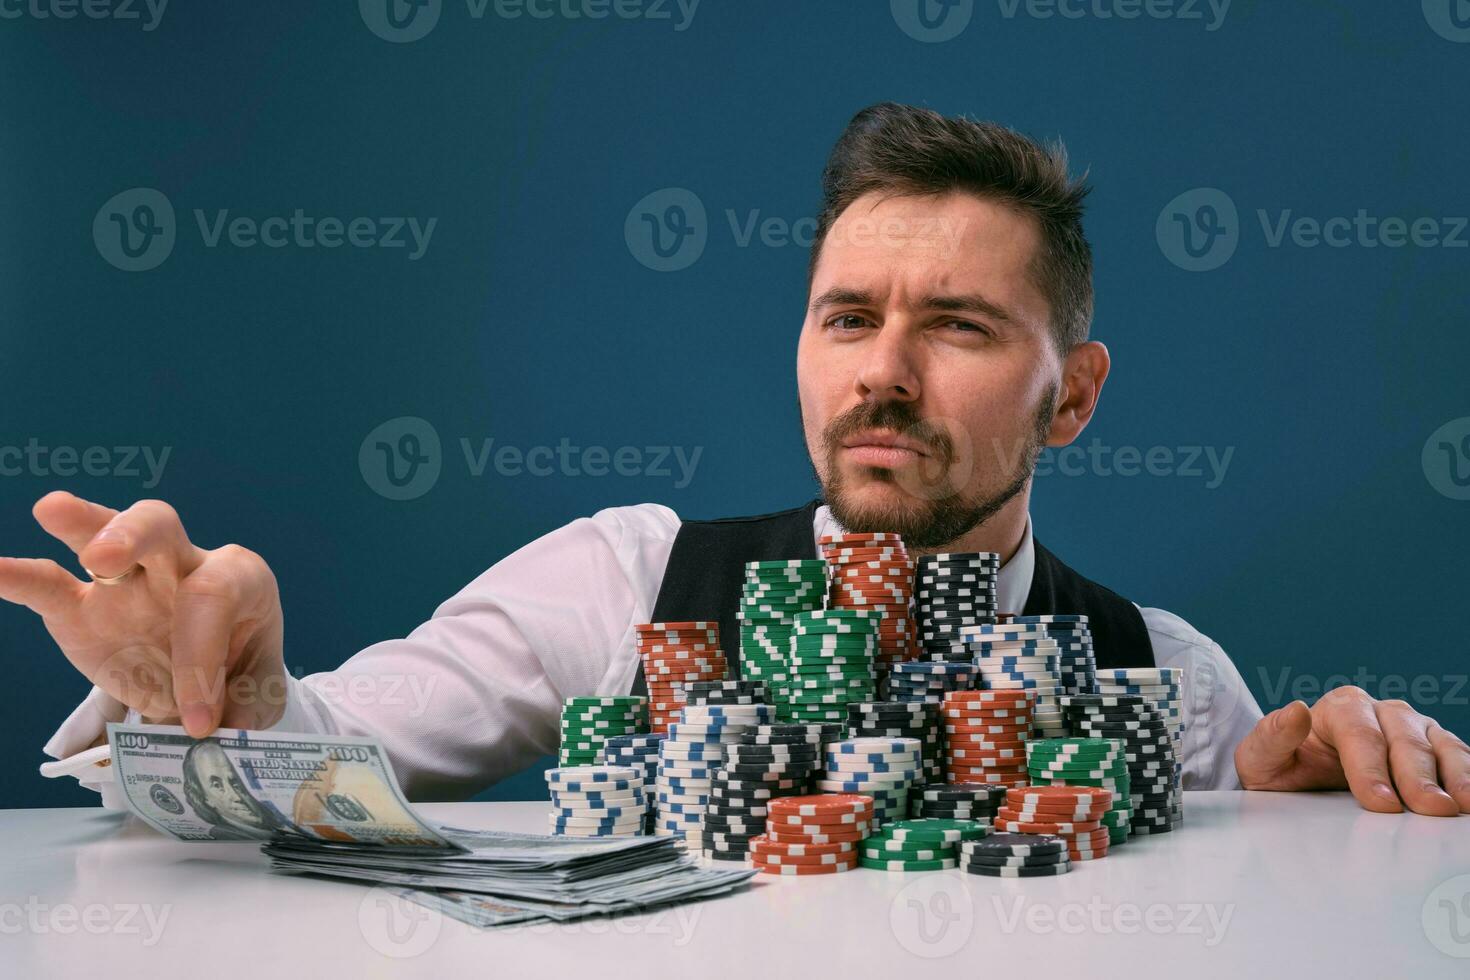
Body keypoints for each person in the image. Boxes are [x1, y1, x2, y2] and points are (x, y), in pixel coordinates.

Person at [12, 103, 1468, 818]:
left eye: (956, 325)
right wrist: (220, 699)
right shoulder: (627, 578)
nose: (883, 373)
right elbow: (313, 760)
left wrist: (1322, 817)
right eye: (847, 316)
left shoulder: (1171, 679)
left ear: (1071, 396)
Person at [181, 740, 295, 841]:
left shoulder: (275, 826)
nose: (237, 797)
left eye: (236, 782)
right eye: (217, 785)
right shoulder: (226, 837)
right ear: (204, 797)